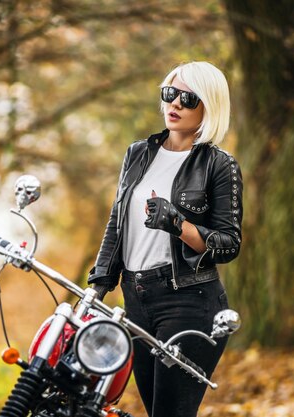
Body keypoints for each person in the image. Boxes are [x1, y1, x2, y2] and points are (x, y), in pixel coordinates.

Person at [88, 61, 243, 417]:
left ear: (210, 106)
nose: (174, 104)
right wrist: (99, 283)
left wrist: (178, 223)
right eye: (169, 94)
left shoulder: (219, 165)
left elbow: (229, 243)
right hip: (136, 299)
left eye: (188, 98)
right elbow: (118, 221)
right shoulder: (138, 153)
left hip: (188, 302)